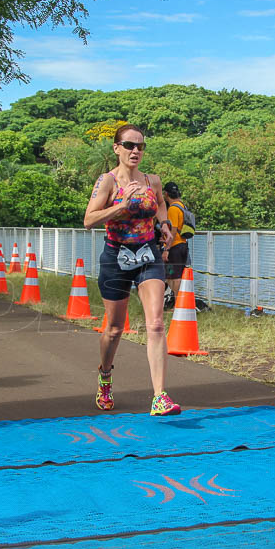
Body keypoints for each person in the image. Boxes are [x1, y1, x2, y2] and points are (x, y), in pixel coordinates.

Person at [83, 124, 181, 416]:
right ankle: (105, 377)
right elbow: (89, 220)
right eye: (129, 145)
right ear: (116, 148)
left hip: (148, 254)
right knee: (113, 330)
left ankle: (160, 397)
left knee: (156, 324)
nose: (135, 151)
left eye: (140, 146)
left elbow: (161, 204)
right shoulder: (107, 182)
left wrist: (165, 225)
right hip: (116, 256)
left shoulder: (153, 181)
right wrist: (121, 205)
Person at [161, 182, 190, 310]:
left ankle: (178, 305)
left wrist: (166, 249)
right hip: (183, 245)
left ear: (166, 194)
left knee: (175, 277)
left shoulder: (173, 208)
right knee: (170, 275)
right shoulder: (183, 206)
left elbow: (173, 230)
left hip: (175, 247)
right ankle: (174, 301)